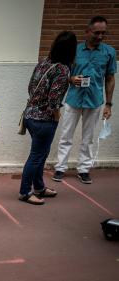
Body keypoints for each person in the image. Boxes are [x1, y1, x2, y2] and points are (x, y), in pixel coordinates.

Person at [52, 16, 116, 184]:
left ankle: (84, 169)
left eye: (104, 33)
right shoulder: (75, 50)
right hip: (73, 99)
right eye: (97, 33)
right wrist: (71, 79)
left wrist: (108, 104)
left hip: (95, 100)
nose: (100, 36)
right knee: (66, 136)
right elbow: (62, 72)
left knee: (88, 139)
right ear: (87, 32)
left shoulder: (109, 52)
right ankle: (60, 167)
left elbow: (110, 78)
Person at [19, 31, 77, 205]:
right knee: (37, 156)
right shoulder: (62, 69)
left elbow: (31, 87)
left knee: (41, 154)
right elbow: (53, 100)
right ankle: (24, 192)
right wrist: (56, 115)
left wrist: (68, 80)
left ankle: (39, 188)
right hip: (44, 120)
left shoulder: (44, 62)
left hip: (30, 116)